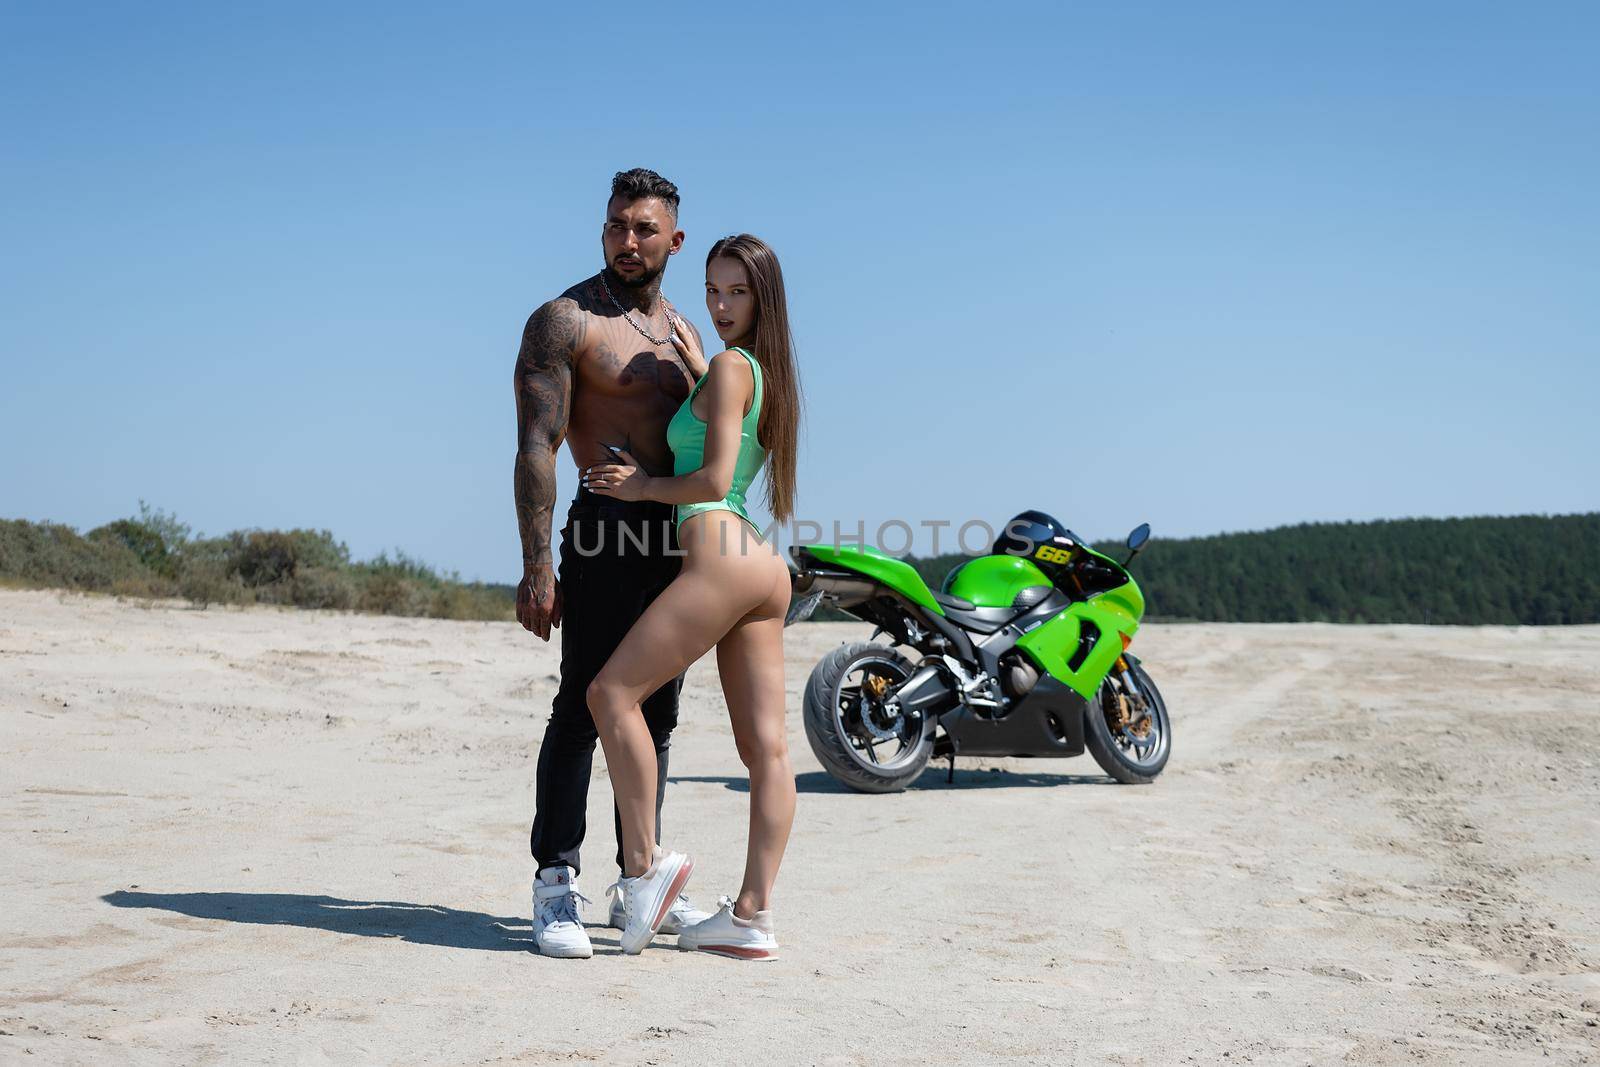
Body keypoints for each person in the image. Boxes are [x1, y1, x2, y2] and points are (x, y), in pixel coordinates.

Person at [581, 234, 802, 960]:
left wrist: (642, 485)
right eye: (713, 288)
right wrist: (703, 360)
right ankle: (751, 914)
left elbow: (710, 481)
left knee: (610, 693)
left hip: (718, 550)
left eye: (737, 291)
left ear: (763, 297)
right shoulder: (759, 371)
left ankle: (644, 869)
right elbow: (732, 451)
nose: (720, 303)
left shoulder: (734, 367)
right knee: (766, 750)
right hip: (761, 565)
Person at [514, 168, 711, 959]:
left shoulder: (686, 334)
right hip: (602, 535)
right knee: (582, 707)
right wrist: (537, 565)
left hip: (676, 539)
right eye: (615, 226)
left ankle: (643, 878)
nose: (628, 242)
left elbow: (721, 441)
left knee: (656, 716)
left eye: (643, 228)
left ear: (674, 239)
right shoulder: (566, 322)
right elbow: (536, 446)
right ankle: (555, 883)